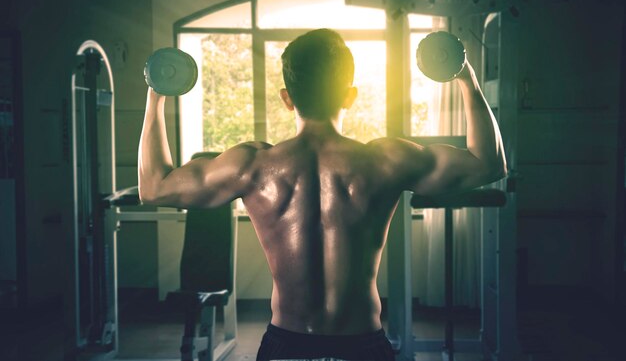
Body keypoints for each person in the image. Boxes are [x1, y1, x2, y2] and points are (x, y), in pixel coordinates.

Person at [138, 28, 507, 361]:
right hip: (363, 344)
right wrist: (464, 76)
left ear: (286, 98)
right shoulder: (386, 160)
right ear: (350, 96)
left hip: (288, 344)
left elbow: (153, 187)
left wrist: (157, 95)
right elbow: (489, 164)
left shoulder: (252, 165)